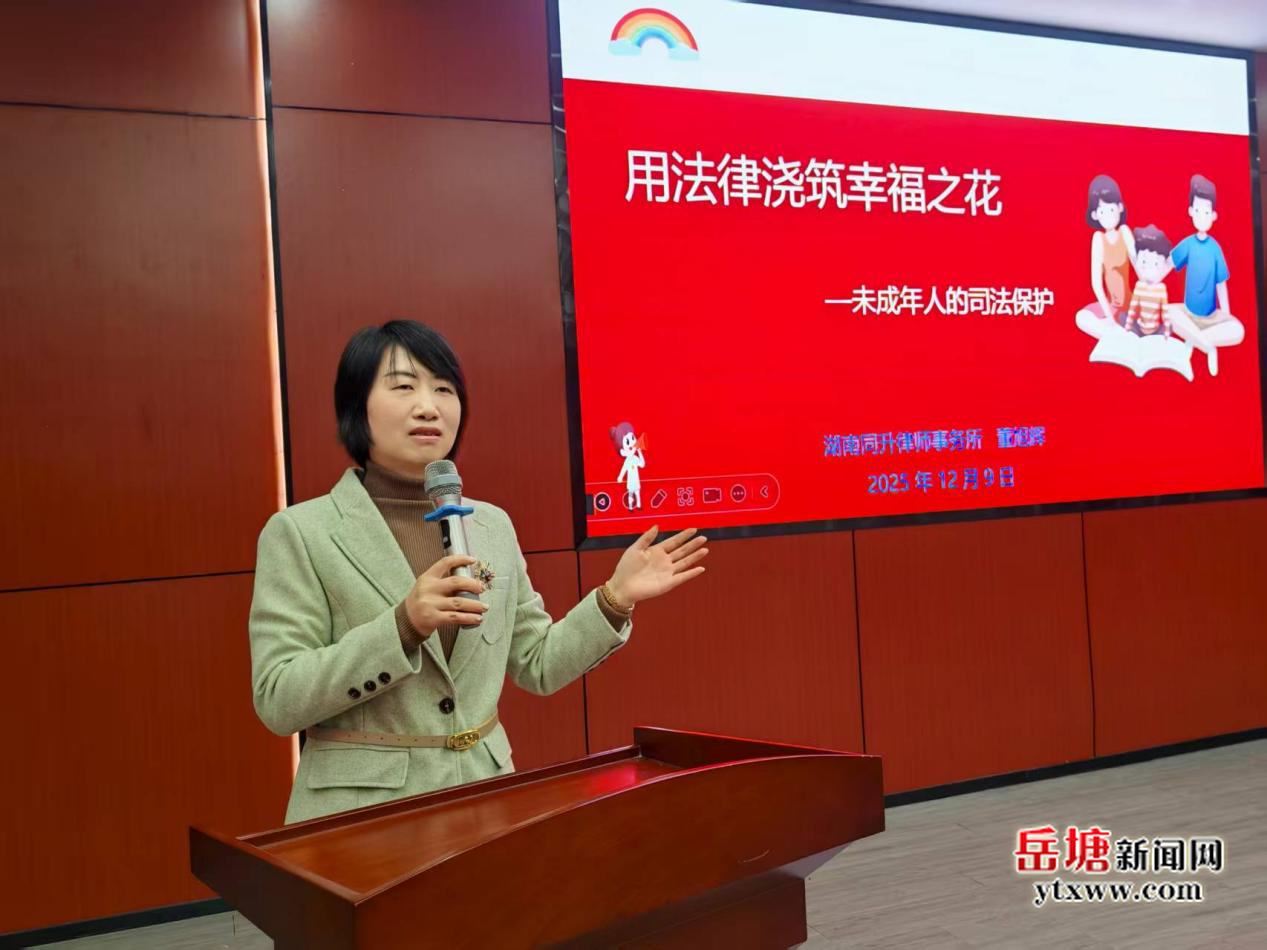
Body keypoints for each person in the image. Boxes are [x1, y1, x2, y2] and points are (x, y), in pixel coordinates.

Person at [249, 320, 709, 823]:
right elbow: (279, 698)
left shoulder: (490, 525)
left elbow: (537, 664)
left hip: (484, 801)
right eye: (403, 387)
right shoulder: (302, 532)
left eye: (444, 389)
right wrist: (402, 626)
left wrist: (615, 597)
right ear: (357, 407)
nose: (429, 406)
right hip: (362, 818)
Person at [1167, 174, 1244, 376]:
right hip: (1188, 313)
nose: (1202, 216)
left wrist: (1226, 314)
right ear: (1191, 211)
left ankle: (1194, 341)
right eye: (1198, 210)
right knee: (1165, 312)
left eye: (1207, 212)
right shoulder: (1188, 244)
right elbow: (1168, 263)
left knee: (1239, 331)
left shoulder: (1215, 248)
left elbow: (1221, 284)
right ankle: (1206, 346)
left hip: (1211, 318)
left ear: (1213, 216)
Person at [1075, 174, 1136, 342]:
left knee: (1135, 323)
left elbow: (1139, 267)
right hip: (1109, 307)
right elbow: (1096, 283)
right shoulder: (1098, 239)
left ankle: (1121, 336)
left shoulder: (1124, 232)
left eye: (1111, 209)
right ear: (1095, 215)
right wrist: (1109, 318)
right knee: (1081, 317)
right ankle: (1119, 336)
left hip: (1129, 307)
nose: (1108, 215)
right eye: (1102, 211)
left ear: (1120, 207)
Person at [1122, 225, 1173, 337]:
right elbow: (1132, 308)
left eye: (1155, 263)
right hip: (1139, 328)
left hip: (1156, 330)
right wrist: (1128, 327)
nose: (1149, 268)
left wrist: (1166, 331)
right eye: (1144, 262)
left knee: (1171, 327)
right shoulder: (1139, 285)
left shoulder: (1161, 288)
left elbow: (1165, 311)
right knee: (1123, 318)